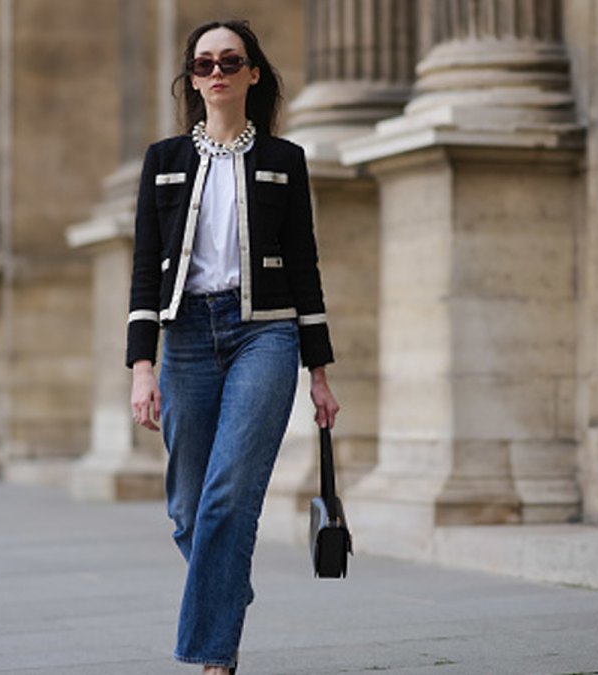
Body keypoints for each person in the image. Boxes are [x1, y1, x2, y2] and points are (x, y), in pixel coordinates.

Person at [125, 19, 340, 675]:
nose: (216, 72)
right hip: (186, 335)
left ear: (253, 73)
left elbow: (305, 266)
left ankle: (213, 656)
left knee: (225, 498)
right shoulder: (164, 161)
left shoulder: (283, 161)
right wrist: (142, 365)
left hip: (265, 334)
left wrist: (320, 373)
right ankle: (227, 590)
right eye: (203, 64)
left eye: (230, 61)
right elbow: (143, 266)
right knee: (189, 509)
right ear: (191, 79)